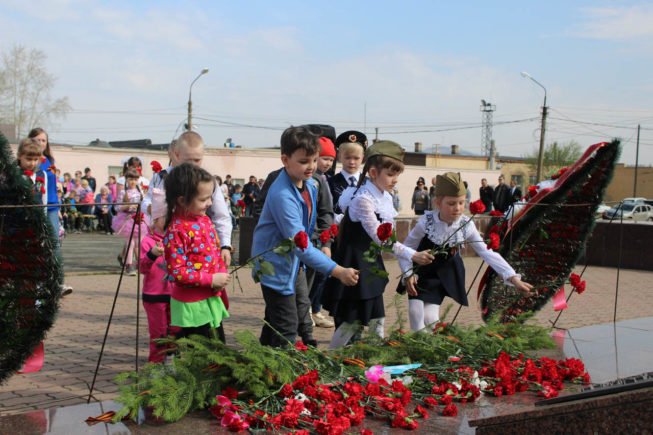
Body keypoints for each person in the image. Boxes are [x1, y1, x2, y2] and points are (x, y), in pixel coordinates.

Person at [251, 126, 359, 348]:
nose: (311, 167)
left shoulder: (310, 183)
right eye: (303, 161)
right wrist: (337, 271)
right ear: (285, 159)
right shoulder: (282, 195)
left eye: (314, 160)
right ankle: (281, 377)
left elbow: (312, 226)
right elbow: (300, 243)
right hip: (274, 264)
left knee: (282, 316)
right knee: (287, 325)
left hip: (293, 263)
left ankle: (261, 365)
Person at [322, 141, 434, 349]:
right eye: (391, 175)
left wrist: (408, 270)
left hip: (371, 265)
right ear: (373, 172)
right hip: (355, 265)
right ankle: (328, 358)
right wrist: (413, 255)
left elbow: (389, 237)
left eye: (397, 175)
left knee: (377, 319)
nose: (395, 180)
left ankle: (375, 364)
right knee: (351, 322)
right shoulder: (363, 199)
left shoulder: (385, 198)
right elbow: (381, 238)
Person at [399, 172, 533, 332]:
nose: (457, 208)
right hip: (421, 271)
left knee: (430, 318)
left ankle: (426, 348)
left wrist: (513, 278)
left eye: (461, 203)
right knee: (415, 311)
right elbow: (406, 248)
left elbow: (487, 253)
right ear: (437, 203)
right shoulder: (426, 222)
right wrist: (408, 274)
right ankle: (417, 344)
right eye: (451, 203)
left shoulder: (466, 225)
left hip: (444, 273)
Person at [142, 131, 233, 268]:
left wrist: (225, 245)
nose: (192, 165)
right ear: (177, 155)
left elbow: (221, 216)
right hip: (167, 242)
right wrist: (152, 208)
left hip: (198, 245)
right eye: (188, 160)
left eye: (197, 160)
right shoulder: (161, 177)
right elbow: (146, 201)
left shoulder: (208, 181)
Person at [163, 163, 231, 342]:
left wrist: (221, 273)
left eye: (210, 198)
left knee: (218, 355)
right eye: (203, 199)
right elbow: (177, 272)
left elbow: (215, 252)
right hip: (191, 306)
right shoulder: (176, 230)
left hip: (210, 298)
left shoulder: (205, 220)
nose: (209, 203)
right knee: (201, 360)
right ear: (182, 200)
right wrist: (211, 279)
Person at [29, 127, 73, 294]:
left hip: (53, 206)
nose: (40, 143)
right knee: (36, 243)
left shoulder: (49, 160)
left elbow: (54, 183)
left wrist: (60, 205)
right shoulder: (29, 159)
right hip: (36, 206)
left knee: (54, 243)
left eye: (43, 140)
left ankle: (57, 283)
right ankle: (35, 283)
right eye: (37, 140)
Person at [140, 189, 179, 362]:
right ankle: (155, 365)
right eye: (166, 218)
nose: (170, 222)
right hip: (154, 295)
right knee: (158, 332)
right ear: (155, 220)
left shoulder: (177, 239)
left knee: (175, 330)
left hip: (175, 295)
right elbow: (142, 267)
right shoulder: (147, 241)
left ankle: (171, 360)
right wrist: (152, 254)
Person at [112, 168, 148, 276]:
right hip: (127, 219)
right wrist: (127, 205)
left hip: (139, 219)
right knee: (130, 243)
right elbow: (117, 207)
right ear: (126, 179)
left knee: (138, 243)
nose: (133, 181)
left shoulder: (140, 192)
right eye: (130, 179)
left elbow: (144, 205)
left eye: (135, 179)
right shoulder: (123, 192)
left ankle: (140, 264)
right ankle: (128, 264)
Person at [327, 131, 367, 215]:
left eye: (356, 158)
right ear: (339, 156)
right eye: (347, 157)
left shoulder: (369, 183)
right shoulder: (330, 183)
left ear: (362, 157)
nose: (352, 162)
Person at [17, 138, 48, 209]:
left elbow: (44, 199)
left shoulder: (42, 174)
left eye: (36, 159)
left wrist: (43, 218)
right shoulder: (12, 173)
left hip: (37, 216)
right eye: (29, 159)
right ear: (19, 156)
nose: (32, 163)